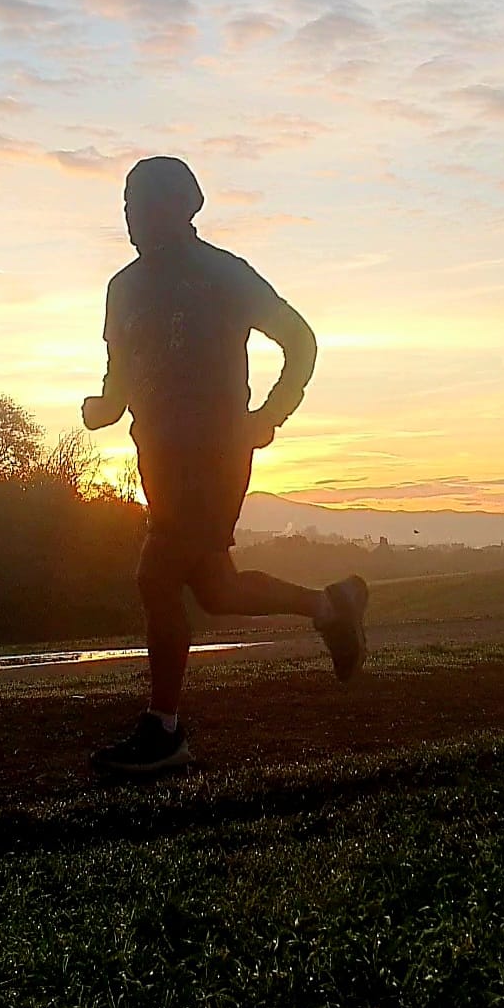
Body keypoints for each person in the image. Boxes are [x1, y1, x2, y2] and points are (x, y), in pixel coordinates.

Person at [82, 156, 368, 775]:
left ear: (183, 207)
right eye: (126, 201)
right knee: (214, 589)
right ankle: (332, 606)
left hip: (214, 453)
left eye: (143, 201)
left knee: (156, 577)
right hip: (155, 455)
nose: (130, 213)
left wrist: (269, 414)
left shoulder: (223, 275)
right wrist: (106, 406)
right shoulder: (122, 288)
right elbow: (124, 372)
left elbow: (300, 340)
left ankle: (164, 732)